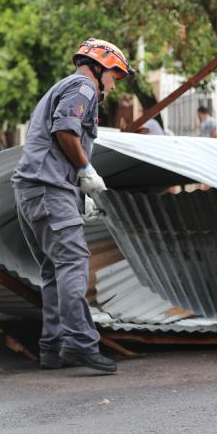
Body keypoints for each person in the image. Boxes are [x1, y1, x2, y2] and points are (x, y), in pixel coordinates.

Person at [11, 38, 135, 373]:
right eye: (114, 75)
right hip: (49, 190)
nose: (113, 83)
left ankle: (52, 350)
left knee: (54, 270)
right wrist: (86, 170)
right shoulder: (84, 87)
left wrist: (78, 192)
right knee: (73, 263)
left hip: (34, 190)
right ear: (100, 66)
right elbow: (65, 132)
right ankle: (81, 344)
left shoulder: (66, 86)